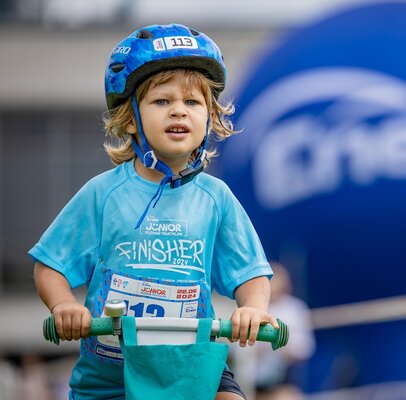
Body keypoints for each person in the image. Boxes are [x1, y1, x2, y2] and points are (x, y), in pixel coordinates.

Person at [29, 23, 277, 400]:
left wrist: (254, 310)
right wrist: (64, 305)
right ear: (130, 118)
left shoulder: (216, 198)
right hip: (111, 375)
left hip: (193, 365)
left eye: (193, 103)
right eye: (162, 102)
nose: (179, 110)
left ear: (210, 118)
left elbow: (251, 274)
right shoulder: (103, 194)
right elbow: (50, 265)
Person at [254, 262, 315, 400]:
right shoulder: (249, 308)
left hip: (281, 381)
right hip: (246, 380)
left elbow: (305, 348)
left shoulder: (295, 309)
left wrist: (281, 344)